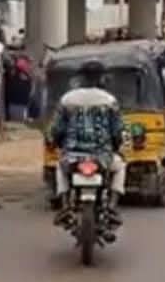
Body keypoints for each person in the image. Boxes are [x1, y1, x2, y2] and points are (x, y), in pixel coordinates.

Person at [49, 58, 126, 219]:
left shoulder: (67, 99)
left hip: (72, 157)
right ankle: (112, 206)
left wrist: (56, 142)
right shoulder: (109, 100)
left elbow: (57, 129)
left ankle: (65, 204)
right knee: (120, 167)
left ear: (81, 78)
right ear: (102, 78)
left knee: (60, 168)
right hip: (102, 157)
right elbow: (117, 131)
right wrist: (117, 146)